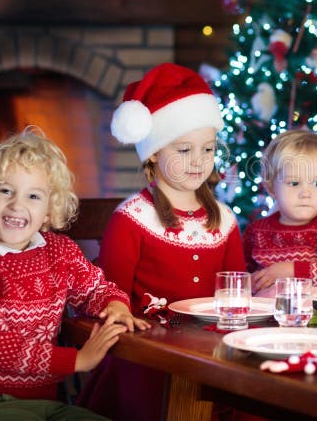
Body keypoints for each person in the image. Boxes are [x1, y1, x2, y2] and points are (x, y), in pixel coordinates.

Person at [0, 127, 148, 421]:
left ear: (49, 211)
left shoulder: (58, 252)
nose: (17, 204)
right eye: (5, 190)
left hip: (48, 402)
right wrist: (76, 360)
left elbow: (94, 288)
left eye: (34, 196)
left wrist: (115, 305)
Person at [77, 63, 246, 420]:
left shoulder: (225, 220)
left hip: (212, 352)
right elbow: (109, 292)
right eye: (184, 151)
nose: (198, 161)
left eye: (208, 149)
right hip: (147, 354)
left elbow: (236, 292)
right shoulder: (132, 219)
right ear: (153, 152)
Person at [244, 129, 317, 294]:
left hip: (314, 315)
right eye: (295, 183)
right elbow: (238, 276)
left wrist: (292, 270)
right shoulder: (256, 232)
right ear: (271, 187)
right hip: (263, 313)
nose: (306, 193)